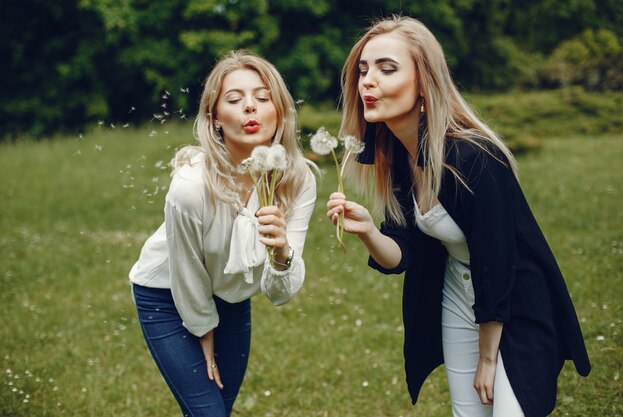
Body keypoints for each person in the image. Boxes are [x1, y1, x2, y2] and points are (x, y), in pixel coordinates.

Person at [326, 16, 590, 417]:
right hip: (458, 296)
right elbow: (404, 253)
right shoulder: (398, 154)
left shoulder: (475, 157)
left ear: (424, 84)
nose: (367, 81)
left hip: (514, 302)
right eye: (363, 70)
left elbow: (497, 262)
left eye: (387, 69)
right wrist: (366, 231)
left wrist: (488, 357)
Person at [129, 50, 317, 417]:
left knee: (218, 410)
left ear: (278, 110)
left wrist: (281, 253)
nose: (251, 107)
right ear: (215, 119)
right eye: (235, 99)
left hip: (230, 298)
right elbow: (187, 270)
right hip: (167, 295)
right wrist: (204, 328)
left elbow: (280, 293)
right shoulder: (190, 186)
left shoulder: (297, 180)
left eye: (263, 98)